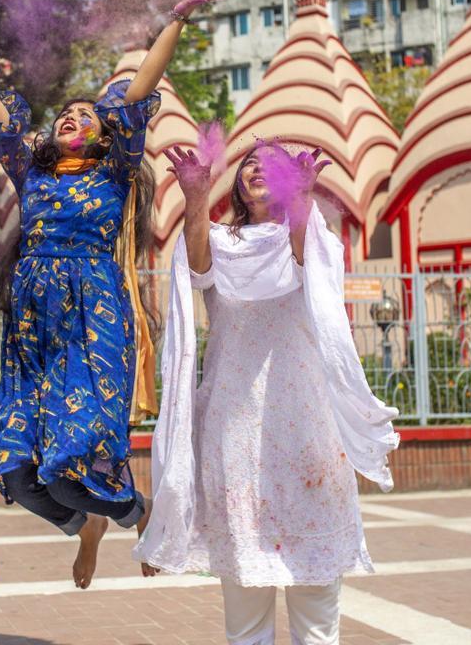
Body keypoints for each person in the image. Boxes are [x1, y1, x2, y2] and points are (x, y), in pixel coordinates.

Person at [0, 0, 228, 587]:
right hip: (32, 333)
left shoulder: (115, 171)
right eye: (64, 113)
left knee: (66, 468)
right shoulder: (32, 171)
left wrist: (175, 19)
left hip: (93, 323)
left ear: (106, 136)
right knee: (14, 466)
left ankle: (136, 514)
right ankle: (87, 527)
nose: (70, 116)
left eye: (85, 114)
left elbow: (135, 93)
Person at [138, 142, 400, 645]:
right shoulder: (219, 240)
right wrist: (195, 198)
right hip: (234, 433)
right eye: (249, 166)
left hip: (306, 433)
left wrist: (300, 202)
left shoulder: (309, 238)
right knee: (246, 614)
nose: (256, 170)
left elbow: (303, 261)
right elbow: (197, 269)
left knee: (317, 617)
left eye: (271, 167)